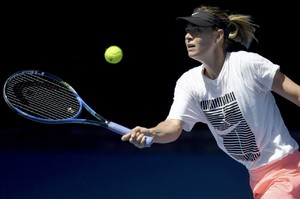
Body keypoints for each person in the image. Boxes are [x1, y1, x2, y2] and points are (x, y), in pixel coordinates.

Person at [121, 5, 300, 199]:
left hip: (288, 170)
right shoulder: (189, 83)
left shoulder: (247, 65)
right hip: (257, 177)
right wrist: (152, 133)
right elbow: (173, 127)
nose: (188, 36)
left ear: (218, 36)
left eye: (197, 31)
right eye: (187, 31)